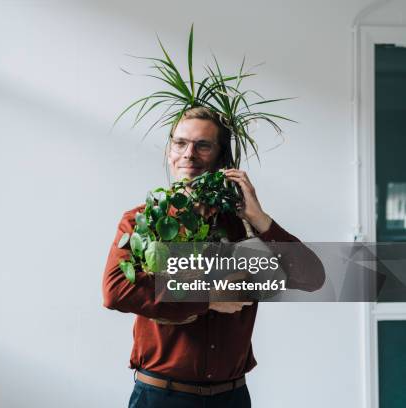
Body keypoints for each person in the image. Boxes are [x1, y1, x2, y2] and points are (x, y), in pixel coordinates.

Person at [102, 107, 325, 408]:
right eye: (180, 143)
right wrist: (208, 297)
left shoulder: (241, 228)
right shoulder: (142, 222)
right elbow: (116, 291)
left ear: (222, 158)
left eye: (202, 145)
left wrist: (259, 217)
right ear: (169, 151)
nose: (188, 154)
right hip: (160, 397)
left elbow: (312, 277)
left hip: (231, 397)